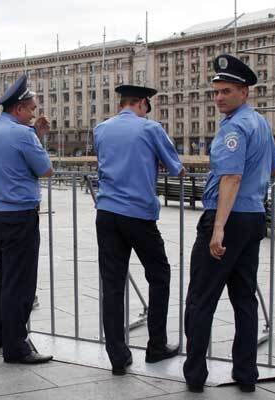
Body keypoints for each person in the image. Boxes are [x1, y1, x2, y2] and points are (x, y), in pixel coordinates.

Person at [183, 54, 275, 393]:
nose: (219, 98)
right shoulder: (261, 123)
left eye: (227, 91)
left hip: (226, 218)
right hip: (253, 217)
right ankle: (246, 373)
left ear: (244, 92)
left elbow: (231, 178)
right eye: (216, 92)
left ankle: (195, 375)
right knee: (244, 298)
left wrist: (219, 228)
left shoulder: (235, 127)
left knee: (201, 297)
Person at [93, 84, 184, 376]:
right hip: (138, 214)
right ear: (143, 103)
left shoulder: (101, 129)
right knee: (159, 274)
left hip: (106, 213)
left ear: (123, 104)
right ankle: (156, 345)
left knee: (113, 283)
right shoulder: (151, 129)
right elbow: (176, 169)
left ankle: (118, 356)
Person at [0, 74, 54, 364]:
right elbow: (45, 170)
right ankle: (16, 346)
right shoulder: (22, 134)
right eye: (31, 108)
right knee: (19, 282)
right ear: (19, 109)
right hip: (19, 215)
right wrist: (37, 137)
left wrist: (35, 134)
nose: (34, 113)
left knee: (1, 275)